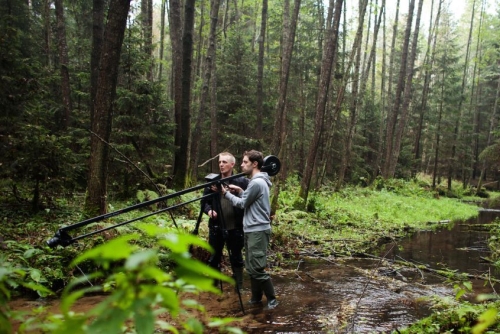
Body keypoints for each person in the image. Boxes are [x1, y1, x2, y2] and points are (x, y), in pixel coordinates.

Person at [220, 150, 279, 309]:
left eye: (245, 162)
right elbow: (250, 200)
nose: (241, 165)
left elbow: (242, 204)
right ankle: (256, 298)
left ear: (255, 164)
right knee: (252, 265)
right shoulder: (256, 182)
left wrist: (225, 194)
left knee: (256, 267)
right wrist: (240, 191)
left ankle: (272, 299)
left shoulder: (256, 182)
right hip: (252, 229)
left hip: (257, 230)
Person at [201, 152, 249, 290]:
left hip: (236, 227)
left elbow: (248, 202)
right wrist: (209, 211)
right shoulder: (212, 182)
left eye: (224, 162)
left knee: (236, 257)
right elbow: (204, 203)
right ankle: (213, 287)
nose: (221, 165)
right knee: (214, 258)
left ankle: (238, 286)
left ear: (232, 164)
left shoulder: (242, 182)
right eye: (220, 162)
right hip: (216, 227)